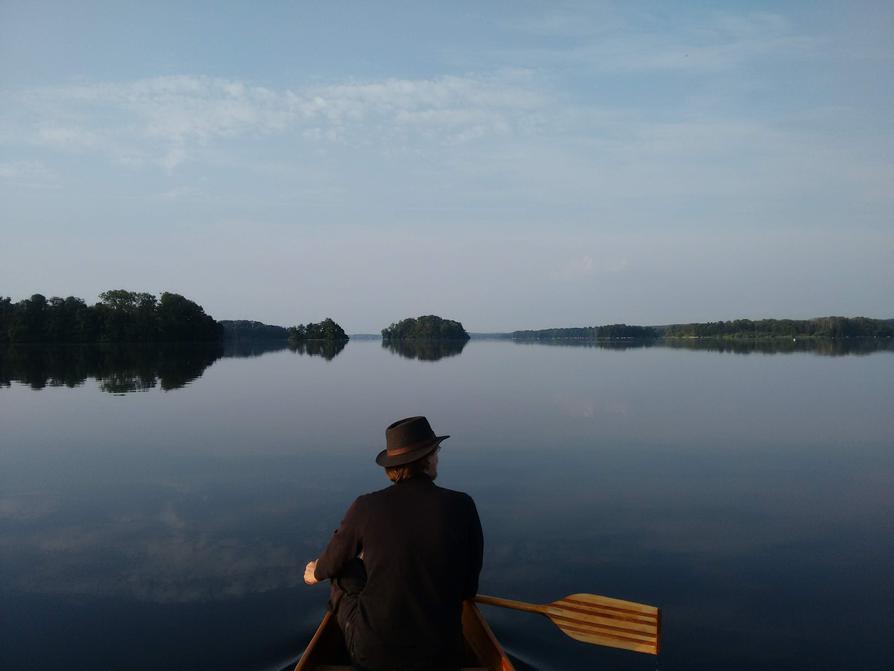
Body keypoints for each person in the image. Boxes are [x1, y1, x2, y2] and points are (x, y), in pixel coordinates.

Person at [304, 416, 484, 671]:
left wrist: (315, 572)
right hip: (443, 659)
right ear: (428, 458)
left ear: (393, 465)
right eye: (436, 452)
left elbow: (331, 564)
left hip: (374, 658)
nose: (438, 458)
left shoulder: (366, 507)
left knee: (345, 570)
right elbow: (468, 590)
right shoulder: (463, 505)